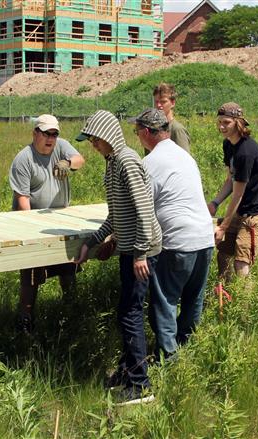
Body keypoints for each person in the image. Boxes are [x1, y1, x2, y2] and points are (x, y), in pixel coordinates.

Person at [74, 110, 162, 405]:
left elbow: (144, 210)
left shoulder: (127, 161)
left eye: (95, 139)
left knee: (131, 314)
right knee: (126, 312)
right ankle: (127, 372)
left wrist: (139, 254)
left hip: (141, 252)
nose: (93, 145)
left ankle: (141, 386)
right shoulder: (112, 163)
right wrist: (93, 241)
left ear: (108, 136)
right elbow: (117, 215)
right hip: (130, 250)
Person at [129, 108, 214, 360]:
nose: (137, 137)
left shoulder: (150, 163)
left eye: (137, 132)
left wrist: (137, 249)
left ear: (146, 132)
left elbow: (143, 209)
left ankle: (169, 359)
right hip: (204, 238)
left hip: (178, 242)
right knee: (193, 300)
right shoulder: (185, 157)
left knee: (165, 301)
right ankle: (187, 349)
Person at [9, 114, 85, 332]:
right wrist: (33, 231)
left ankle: (71, 313)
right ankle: (25, 320)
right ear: (35, 133)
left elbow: (80, 159)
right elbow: (22, 198)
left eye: (54, 134)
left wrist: (68, 163)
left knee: (69, 269)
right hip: (32, 224)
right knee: (31, 277)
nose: (50, 138)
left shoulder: (61, 147)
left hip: (60, 221)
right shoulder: (23, 159)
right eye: (46, 133)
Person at [208, 102, 258, 281]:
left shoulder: (246, 152)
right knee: (223, 254)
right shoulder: (228, 145)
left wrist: (223, 226)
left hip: (254, 215)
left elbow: (238, 193)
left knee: (241, 263)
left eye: (226, 122)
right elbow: (230, 179)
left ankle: (244, 307)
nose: (221, 126)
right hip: (240, 210)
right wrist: (215, 203)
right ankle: (224, 297)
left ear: (238, 122)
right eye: (219, 121)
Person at [152, 83, 190, 153]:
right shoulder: (153, 129)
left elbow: (185, 160)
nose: (158, 105)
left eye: (163, 102)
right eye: (156, 101)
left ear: (173, 103)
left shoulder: (177, 129)